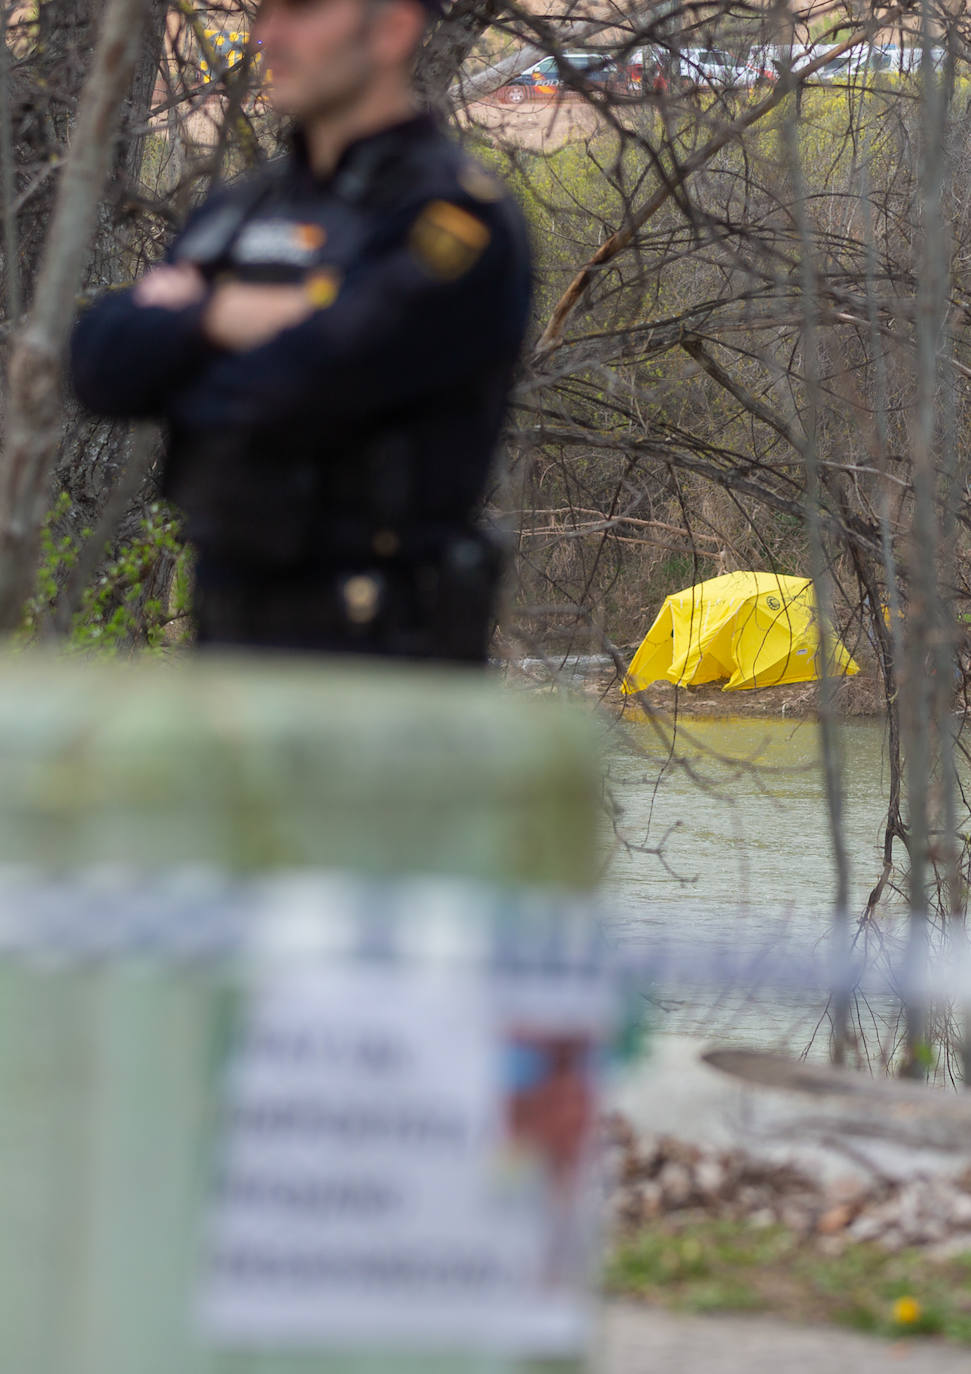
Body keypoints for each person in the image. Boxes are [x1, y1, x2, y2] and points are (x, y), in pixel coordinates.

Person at [70, 0, 531, 659]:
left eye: (304, 10)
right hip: (227, 638)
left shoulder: (452, 216)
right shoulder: (244, 208)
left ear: (394, 28)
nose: (269, 35)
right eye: (265, 10)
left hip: (381, 653)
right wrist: (225, 316)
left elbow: (293, 387)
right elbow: (97, 365)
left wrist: (181, 335)